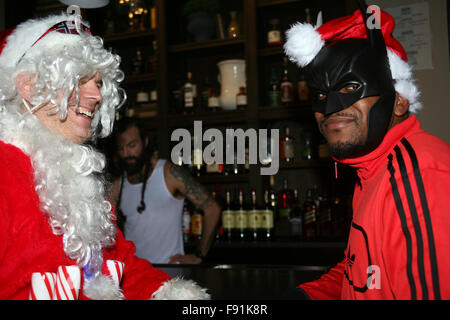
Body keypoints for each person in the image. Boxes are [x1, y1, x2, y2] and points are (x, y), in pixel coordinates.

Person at [0, 12, 209, 300]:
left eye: (98, 83)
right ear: (29, 85)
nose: (97, 95)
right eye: (80, 79)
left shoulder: (76, 180)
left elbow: (121, 266)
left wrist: (170, 293)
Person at [282, 1, 450, 299]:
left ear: (399, 99)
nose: (331, 107)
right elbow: (360, 272)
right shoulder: (372, 171)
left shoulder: (417, 175)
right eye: (321, 94)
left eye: (349, 88)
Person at [108, 117, 221, 265]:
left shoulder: (168, 173)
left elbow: (213, 209)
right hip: (135, 276)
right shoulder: (117, 186)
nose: (126, 153)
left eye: (132, 145)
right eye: (121, 149)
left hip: (169, 276)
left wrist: (199, 255)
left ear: (145, 142)